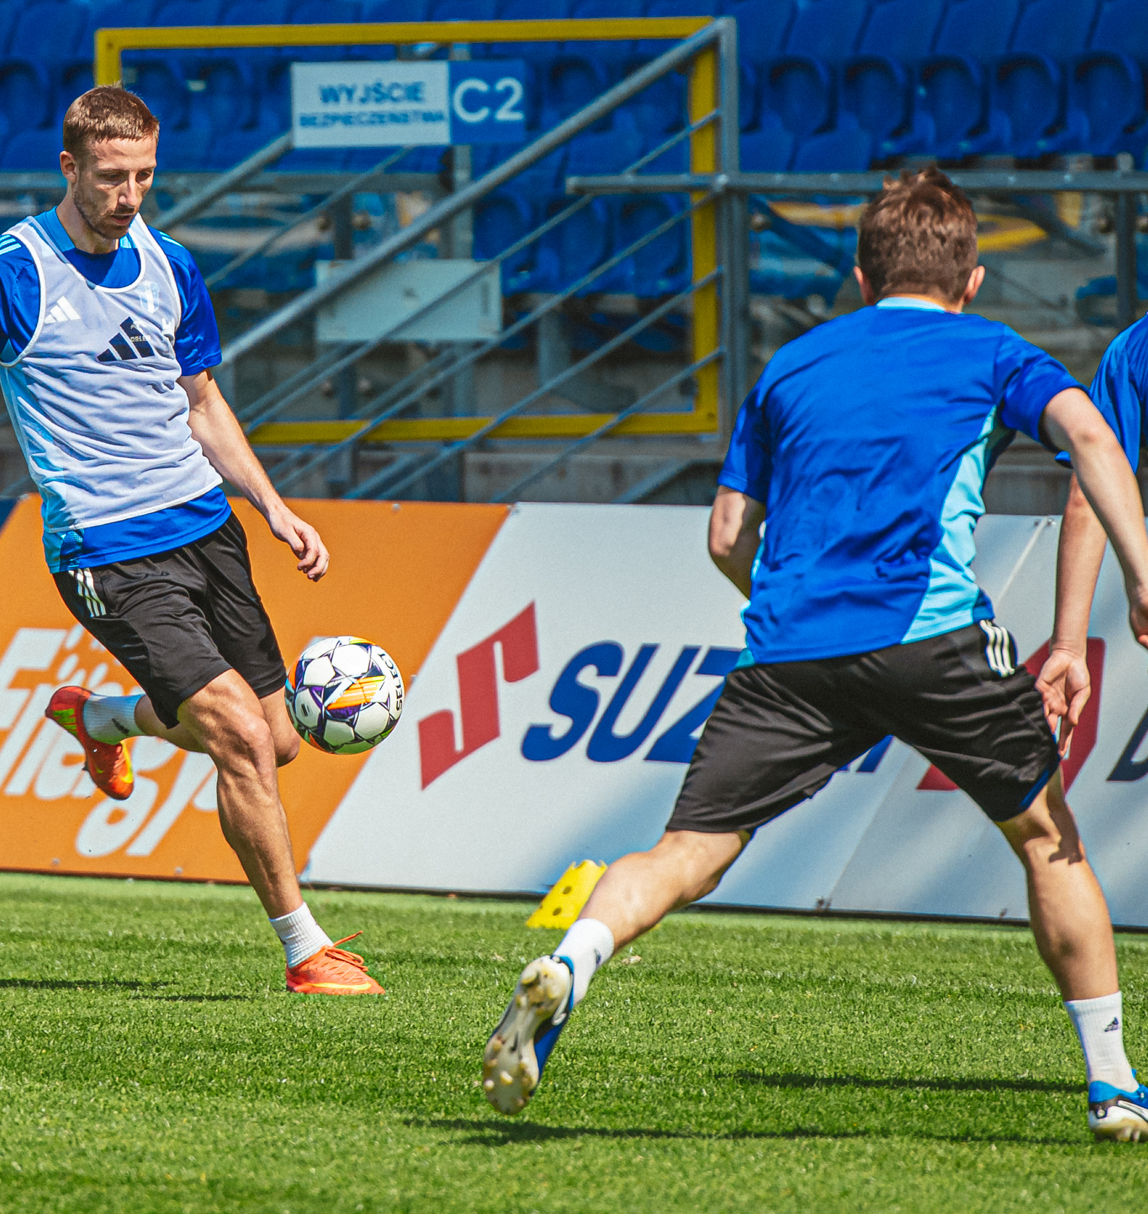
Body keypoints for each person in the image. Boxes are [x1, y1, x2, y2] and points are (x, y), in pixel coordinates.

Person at [482, 167, 1148, 1142]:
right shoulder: (991, 349)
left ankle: (575, 959)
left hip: (789, 649)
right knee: (1048, 839)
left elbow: (725, 536)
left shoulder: (789, 366)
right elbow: (1088, 434)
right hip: (929, 637)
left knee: (686, 854)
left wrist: (794, 610)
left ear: (861, 278)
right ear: (971, 280)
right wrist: (1140, 571)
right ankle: (1115, 1084)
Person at [0, 87, 381, 995]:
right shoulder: (11, 271)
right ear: (69, 167)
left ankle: (100, 718)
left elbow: (203, 402)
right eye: (110, 177)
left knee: (279, 739)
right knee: (237, 736)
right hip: (107, 550)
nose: (129, 196)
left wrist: (271, 505)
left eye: (144, 176)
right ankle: (306, 951)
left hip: (206, 529)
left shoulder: (171, 264)